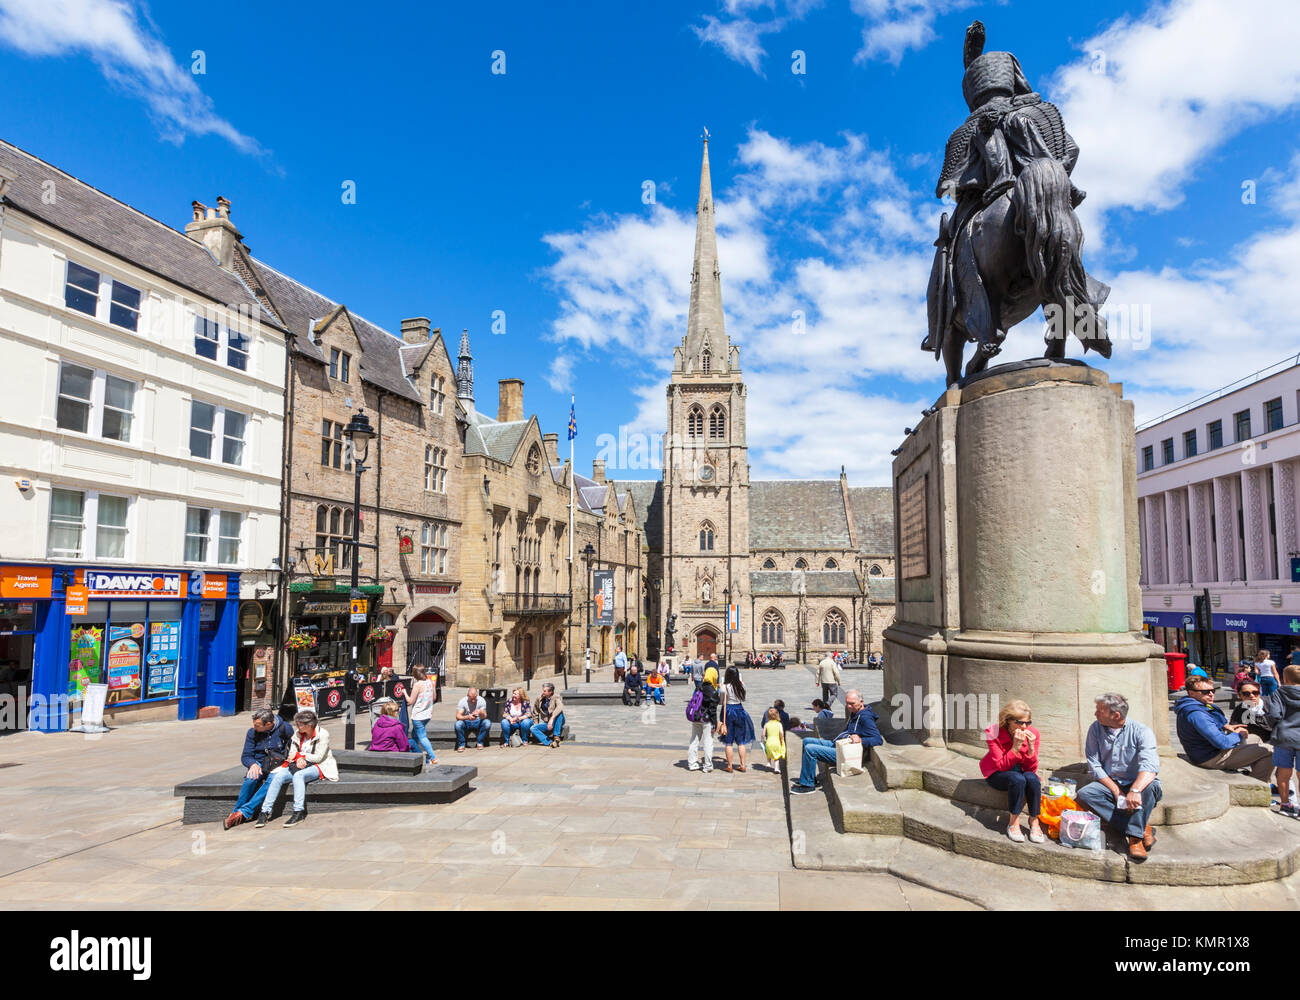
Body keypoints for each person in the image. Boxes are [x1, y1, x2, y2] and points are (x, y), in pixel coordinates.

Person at [1075, 693, 1161, 861]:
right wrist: (1116, 791)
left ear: (1115, 715)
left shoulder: (1142, 731)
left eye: (1100, 711)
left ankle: (1135, 840)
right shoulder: (1095, 729)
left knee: (1151, 787)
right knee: (1086, 794)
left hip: (1137, 782)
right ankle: (1141, 829)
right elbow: (1094, 765)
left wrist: (1135, 789)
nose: (1095, 714)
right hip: (1111, 782)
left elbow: (1150, 766)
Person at [1175, 677, 1273, 781]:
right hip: (1211, 757)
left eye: (1212, 691)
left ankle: (1256, 776)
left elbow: (1209, 723)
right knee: (1270, 751)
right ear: (1192, 693)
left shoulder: (1195, 705)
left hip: (1210, 751)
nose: (1211, 694)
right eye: (1205, 692)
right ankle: (1257, 785)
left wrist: (1223, 726)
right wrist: (1238, 735)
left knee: (1255, 738)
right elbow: (1222, 742)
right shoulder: (1197, 715)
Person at [256, 710, 338, 828]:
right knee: (278, 776)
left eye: (299, 724)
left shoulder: (323, 734)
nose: (297, 726)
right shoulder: (298, 734)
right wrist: (298, 758)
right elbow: (292, 753)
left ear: (309, 725)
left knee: (298, 776)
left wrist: (302, 756)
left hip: (319, 765)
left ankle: (298, 812)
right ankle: (265, 811)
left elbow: (319, 757)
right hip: (297, 765)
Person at [790, 690, 882, 793]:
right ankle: (809, 778)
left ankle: (808, 786)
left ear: (861, 702)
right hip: (838, 744)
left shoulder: (866, 717)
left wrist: (861, 740)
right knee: (807, 741)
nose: (849, 706)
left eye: (852, 703)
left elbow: (877, 739)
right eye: (847, 703)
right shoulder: (855, 712)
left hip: (845, 754)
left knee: (810, 749)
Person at [980, 700, 1044, 843]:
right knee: (1017, 779)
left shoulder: (1033, 733)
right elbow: (1002, 766)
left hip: (1021, 770)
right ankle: (1013, 822)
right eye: (1019, 722)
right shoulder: (992, 732)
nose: (1024, 727)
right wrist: (1015, 747)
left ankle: (1034, 821)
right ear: (1007, 720)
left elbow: (1031, 769)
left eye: (1027, 723)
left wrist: (1031, 748)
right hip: (997, 773)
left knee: (1033, 779)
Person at [224, 708, 294, 829]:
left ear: (268, 724)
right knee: (251, 778)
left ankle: (243, 813)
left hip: (278, 764)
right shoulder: (252, 733)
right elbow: (246, 755)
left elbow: (295, 746)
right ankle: (236, 812)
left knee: (271, 781)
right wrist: (252, 764)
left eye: (257, 725)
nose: (254, 728)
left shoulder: (285, 728)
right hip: (260, 763)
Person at [1267, 666, 1300, 817]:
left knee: (1284, 772)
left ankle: (1285, 805)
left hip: (1284, 737)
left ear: (1285, 679)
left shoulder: (1279, 692)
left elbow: (1274, 714)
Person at [718, 666, 755, 773]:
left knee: (728, 741)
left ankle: (729, 766)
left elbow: (721, 702)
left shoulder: (724, 687)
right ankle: (742, 765)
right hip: (739, 710)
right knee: (740, 741)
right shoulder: (742, 686)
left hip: (728, 710)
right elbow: (743, 698)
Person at [403, 664, 437, 765]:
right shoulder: (431, 682)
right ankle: (414, 753)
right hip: (428, 714)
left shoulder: (417, 685)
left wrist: (404, 692)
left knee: (422, 737)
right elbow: (434, 698)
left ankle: (433, 757)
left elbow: (410, 701)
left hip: (418, 715)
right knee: (414, 735)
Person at [688, 667, 719, 773]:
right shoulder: (712, 690)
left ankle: (692, 764)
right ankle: (708, 765)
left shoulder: (699, 686)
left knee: (694, 740)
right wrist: (715, 724)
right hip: (706, 720)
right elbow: (712, 710)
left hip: (696, 717)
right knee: (708, 742)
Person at [527, 682, 566, 747]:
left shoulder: (556, 697)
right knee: (533, 728)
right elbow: (535, 713)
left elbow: (560, 707)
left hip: (556, 721)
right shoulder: (539, 699)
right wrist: (536, 724)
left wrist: (552, 718)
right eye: (543, 690)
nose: (543, 692)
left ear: (550, 692)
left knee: (559, 714)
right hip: (547, 723)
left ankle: (556, 737)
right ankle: (550, 743)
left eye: (545, 691)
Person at [455, 687, 491, 751]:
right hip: (466, 721)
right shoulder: (463, 701)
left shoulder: (481, 700)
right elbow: (458, 716)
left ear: (476, 695)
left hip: (478, 720)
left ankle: (480, 742)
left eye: (474, 698)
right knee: (458, 724)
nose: (473, 701)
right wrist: (467, 717)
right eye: (471, 699)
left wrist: (480, 712)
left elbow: (484, 716)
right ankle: (461, 744)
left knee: (487, 723)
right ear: (468, 696)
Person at [762, 707, 786, 773]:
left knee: (768, 753)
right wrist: (781, 739)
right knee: (776, 756)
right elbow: (781, 733)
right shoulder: (779, 724)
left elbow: (763, 734)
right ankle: (776, 768)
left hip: (769, 742)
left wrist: (762, 740)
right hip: (776, 742)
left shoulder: (766, 724)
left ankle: (769, 763)